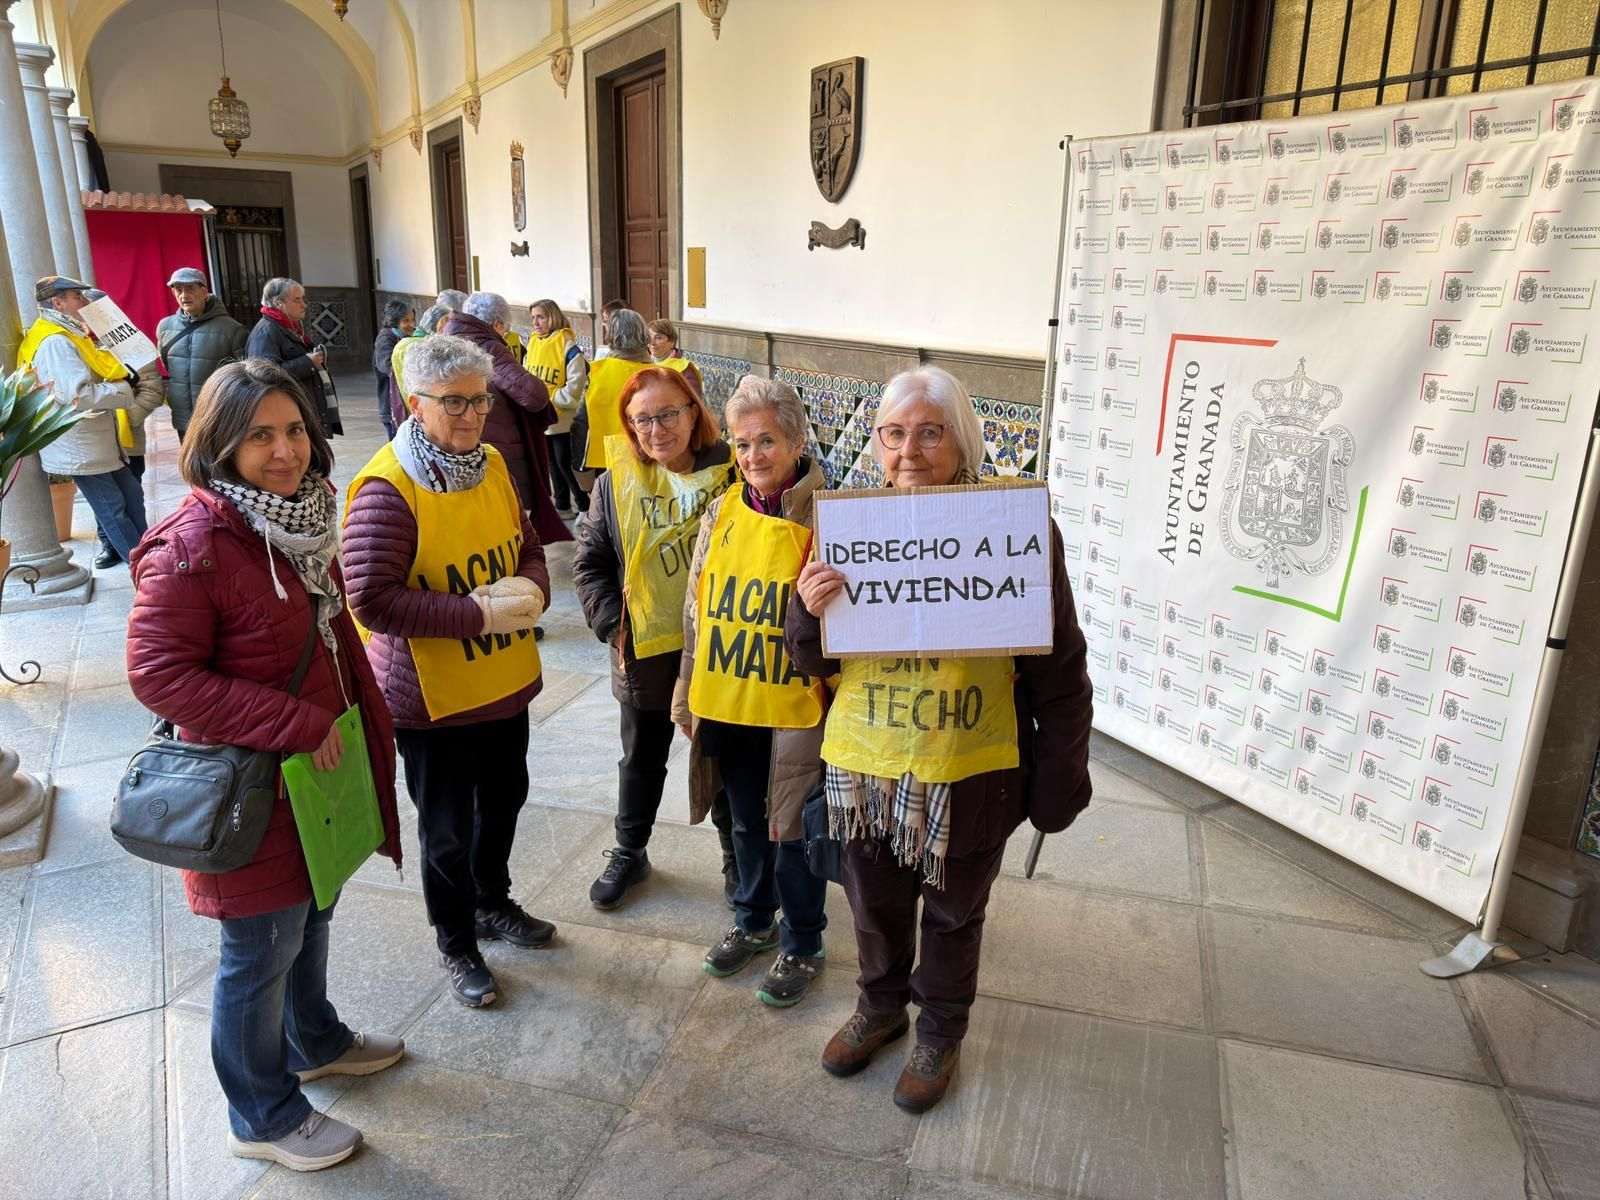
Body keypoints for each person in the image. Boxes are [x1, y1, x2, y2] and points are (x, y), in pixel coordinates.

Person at [786, 366, 1094, 1114]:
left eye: (931, 432)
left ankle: (940, 1031)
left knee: (955, 912)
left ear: (964, 440)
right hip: (866, 764)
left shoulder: (1013, 528)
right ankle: (881, 1007)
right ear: (877, 442)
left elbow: (1059, 662)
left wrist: (1059, 771)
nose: (909, 451)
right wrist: (806, 608)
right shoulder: (844, 527)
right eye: (894, 434)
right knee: (873, 904)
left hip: (968, 764)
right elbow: (809, 658)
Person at [126, 359, 404, 1172]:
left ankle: (312, 1037)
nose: (285, 451)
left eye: (294, 431)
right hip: (247, 788)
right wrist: (292, 720)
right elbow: (160, 675)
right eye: (260, 436)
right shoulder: (196, 545)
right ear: (220, 443)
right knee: (260, 949)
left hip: (308, 773)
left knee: (311, 912)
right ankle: (261, 1112)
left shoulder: (299, 521)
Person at [343, 333, 556, 1009]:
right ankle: (456, 940)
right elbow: (370, 598)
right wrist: (476, 615)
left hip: (502, 681)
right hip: (431, 700)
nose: (472, 416)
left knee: (504, 801)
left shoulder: (492, 463)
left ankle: (493, 901)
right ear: (415, 402)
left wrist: (534, 587)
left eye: (480, 400)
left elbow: (525, 544)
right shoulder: (388, 488)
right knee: (445, 830)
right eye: (454, 403)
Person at [673, 376, 829, 1006]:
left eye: (767, 440)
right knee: (743, 818)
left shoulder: (832, 515)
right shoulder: (722, 511)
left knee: (791, 824)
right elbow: (697, 608)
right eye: (741, 444)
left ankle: (803, 941)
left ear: (795, 441)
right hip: (732, 693)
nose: (753, 456)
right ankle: (754, 919)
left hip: (797, 701)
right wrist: (686, 687)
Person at [574, 366, 736, 909]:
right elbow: (590, 563)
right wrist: (611, 626)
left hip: (719, 649)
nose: (656, 428)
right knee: (641, 756)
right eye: (641, 419)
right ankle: (629, 850)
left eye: (668, 413)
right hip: (644, 649)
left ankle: (736, 859)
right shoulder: (615, 483)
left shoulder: (733, 476)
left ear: (694, 412)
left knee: (721, 754)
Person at [17, 275, 155, 569]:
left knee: (131, 494)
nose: (84, 303)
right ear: (57, 303)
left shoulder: (67, 334)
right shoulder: (54, 341)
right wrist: (125, 389)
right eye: (77, 298)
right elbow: (78, 394)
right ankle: (148, 573)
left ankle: (154, 558)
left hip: (96, 440)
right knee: (113, 510)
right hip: (79, 444)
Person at [442, 292, 570, 548]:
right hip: (493, 446)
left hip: (455, 446)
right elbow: (533, 394)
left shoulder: (448, 336)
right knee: (502, 529)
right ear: (497, 324)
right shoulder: (485, 345)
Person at [83, 287, 165, 567]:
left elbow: (153, 390)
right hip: (92, 435)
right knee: (103, 498)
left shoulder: (130, 342)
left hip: (127, 436)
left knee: (131, 493)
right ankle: (109, 544)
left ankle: (140, 544)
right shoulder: (73, 343)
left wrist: (124, 419)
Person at [156, 266, 249, 440]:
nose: (184, 296)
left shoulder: (232, 329)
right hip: (183, 417)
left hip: (218, 416)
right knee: (190, 464)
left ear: (204, 291)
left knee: (217, 465)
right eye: (178, 290)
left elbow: (243, 376)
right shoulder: (165, 327)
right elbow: (167, 364)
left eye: (190, 289)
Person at [248, 277, 340, 436]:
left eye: (303, 299)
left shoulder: (289, 327)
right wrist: (307, 362)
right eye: (297, 300)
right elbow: (263, 374)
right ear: (278, 304)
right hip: (287, 413)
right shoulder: (266, 332)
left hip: (303, 410)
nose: (304, 305)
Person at [526, 299, 588, 517]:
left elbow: (576, 383)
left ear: (552, 317)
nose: (535, 322)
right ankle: (562, 504)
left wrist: (552, 401)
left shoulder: (567, 344)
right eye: (533, 317)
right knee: (551, 461)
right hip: (540, 414)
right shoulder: (534, 341)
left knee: (565, 462)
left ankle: (584, 504)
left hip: (561, 417)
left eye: (540, 317)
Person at [572, 308, 651, 473]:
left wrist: (582, 471)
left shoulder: (597, 373)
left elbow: (582, 424)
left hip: (605, 463)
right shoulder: (659, 374)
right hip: (648, 459)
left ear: (612, 335)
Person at [386, 301, 454, 433]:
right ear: (440, 326)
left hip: (409, 411)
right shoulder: (422, 347)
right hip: (423, 412)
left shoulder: (405, 343)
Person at [372, 300, 415, 441]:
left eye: (412, 320)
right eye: (406, 321)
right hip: (391, 405)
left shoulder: (406, 337)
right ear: (395, 321)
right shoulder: (385, 338)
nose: (411, 325)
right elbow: (386, 365)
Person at [646, 318, 703, 399]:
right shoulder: (643, 364)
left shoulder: (684, 369)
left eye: (658, 338)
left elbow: (693, 399)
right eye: (649, 338)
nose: (652, 343)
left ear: (672, 341)